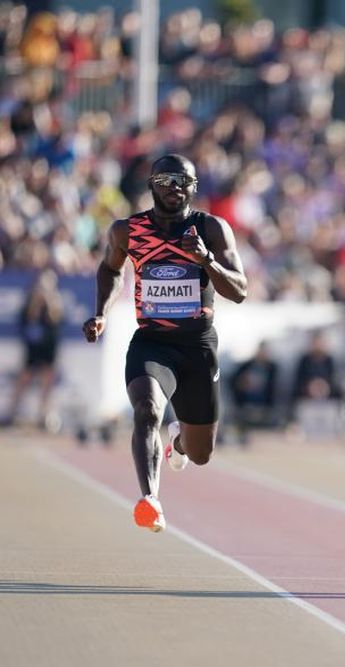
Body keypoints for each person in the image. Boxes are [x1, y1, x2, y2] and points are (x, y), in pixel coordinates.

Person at [82, 154, 247, 533]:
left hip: (198, 345)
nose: (175, 188)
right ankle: (150, 499)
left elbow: (239, 291)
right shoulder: (127, 230)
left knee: (202, 453)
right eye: (167, 180)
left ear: (194, 188)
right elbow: (110, 268)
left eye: (184, 181)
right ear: (152, 184)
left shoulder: (211, 228)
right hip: (152, 342)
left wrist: (205, 260)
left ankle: (181, 442)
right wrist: (102, 312)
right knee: (146, 410)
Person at [3, 268, 63, 430]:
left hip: (48, 349)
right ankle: (11, 413)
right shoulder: (30, 301)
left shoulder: (55, 301)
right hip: (33, 349)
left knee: (46, 383)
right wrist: (36, 301)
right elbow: (29, 319)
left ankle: (45, 416)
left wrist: (49, 299)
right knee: (23, 380)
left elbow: (55, 318)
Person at [228, 340, 280, 445]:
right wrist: (242, 384)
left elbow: (276, 390)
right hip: (245, 407)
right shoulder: (245, 366)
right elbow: (233, 383)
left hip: (265, 408)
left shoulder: (273, 368)